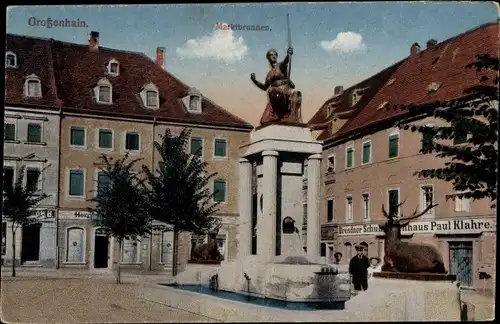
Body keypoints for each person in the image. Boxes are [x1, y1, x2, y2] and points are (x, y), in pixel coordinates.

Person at [250, 47, 302, 125]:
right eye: (271, 55)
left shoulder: (280, 66)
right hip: (274, 99)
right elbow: (264, 87)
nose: (274, 56)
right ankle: (279, 118)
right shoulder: (269, 74)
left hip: (283, 93)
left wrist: (288, 55)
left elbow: (285, 62)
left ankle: (284, 112)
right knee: (264, 121)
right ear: (268, 58)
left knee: (272, 90)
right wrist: (254, 80)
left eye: (275, 55)